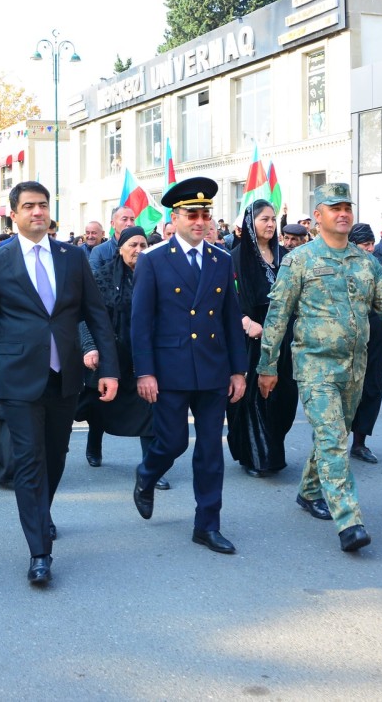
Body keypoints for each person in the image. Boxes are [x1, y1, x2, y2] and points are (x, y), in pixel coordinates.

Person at [259, 186, 382, 552]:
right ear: (317, 217)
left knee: (334, 433)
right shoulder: (300, 260)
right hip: (315, 365)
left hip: (355, 367)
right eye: (334, 208)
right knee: (333, 439)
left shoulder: (365, 261)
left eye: (347, 208)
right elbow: (277, 316)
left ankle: (309, 492)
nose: (342, 214)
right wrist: (267, 365)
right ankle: (349, 520)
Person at [0, 180, 119, 586]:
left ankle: (40, 513)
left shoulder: (72, 258)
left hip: (65, 375)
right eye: (29, 206)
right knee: (29, 461)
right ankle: (39, 551)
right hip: (18, 378)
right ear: (13, 214)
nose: (38, 212)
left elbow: (96, 314)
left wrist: (108, 370)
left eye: (43, 205)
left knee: (55, 456)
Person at [130, 177, 246, 555]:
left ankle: (207, 524)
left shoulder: (221, 258)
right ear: (175, 217)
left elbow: (231, 318)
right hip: (171, 367)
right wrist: (144, 372)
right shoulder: (154, 259)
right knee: (174, 442)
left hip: (213, 367)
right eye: (192, 214)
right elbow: (141, 321)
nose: (200, 221)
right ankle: (147, 474)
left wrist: (238, 370)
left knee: (212, 449)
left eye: (205, 214)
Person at [79, 226, 167, 487]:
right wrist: (89, 347)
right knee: (100, 406)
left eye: (143, 245)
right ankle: (94, 443)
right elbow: (86, 316)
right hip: (109, 354)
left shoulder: (155, 275)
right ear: (120, 248)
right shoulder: (102, 276)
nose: (139, 251)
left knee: (150, 408)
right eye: (133, 246)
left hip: (143, 355)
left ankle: (151, 469)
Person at [227, 199, 297, 477]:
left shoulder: (286, 257)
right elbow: (227, 299)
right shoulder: (234, 258)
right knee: (255, 397)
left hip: (284, 336)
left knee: (284, 395)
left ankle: (272, 446)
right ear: (250, 223)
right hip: (252, 338)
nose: (270, 224)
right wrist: (245, 322)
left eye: (272, 219)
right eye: (263, 219)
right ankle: (257, 456)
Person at [346, 223, 382, 464]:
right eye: (363, 245)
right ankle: (331, 443)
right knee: (343, 391)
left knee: (372, 388)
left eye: (370, 244)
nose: (368, 249)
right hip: (346, 337)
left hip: (374, 333)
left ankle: (360, 442)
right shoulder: (341, 266)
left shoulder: (376, 267)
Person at [88, 205, 136, 271]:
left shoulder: (141, 248)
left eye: (132, 219)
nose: (129, 223)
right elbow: (95, 279)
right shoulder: (99, 251)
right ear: (113, 224)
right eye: (124, 219)